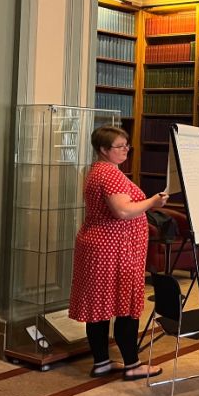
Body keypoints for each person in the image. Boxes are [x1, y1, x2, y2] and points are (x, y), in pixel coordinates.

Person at [68, 126, 168, 380]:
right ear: (103, 149)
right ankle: (132, 365)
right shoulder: (109, 175)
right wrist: (153, 202)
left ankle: (101, 362)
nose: (125, 150)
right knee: (125, 305)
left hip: (100, 247)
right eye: (119, 146)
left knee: (100, 307)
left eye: (127, 146)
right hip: (113, 251)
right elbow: (122, 211)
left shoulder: (98, 171)